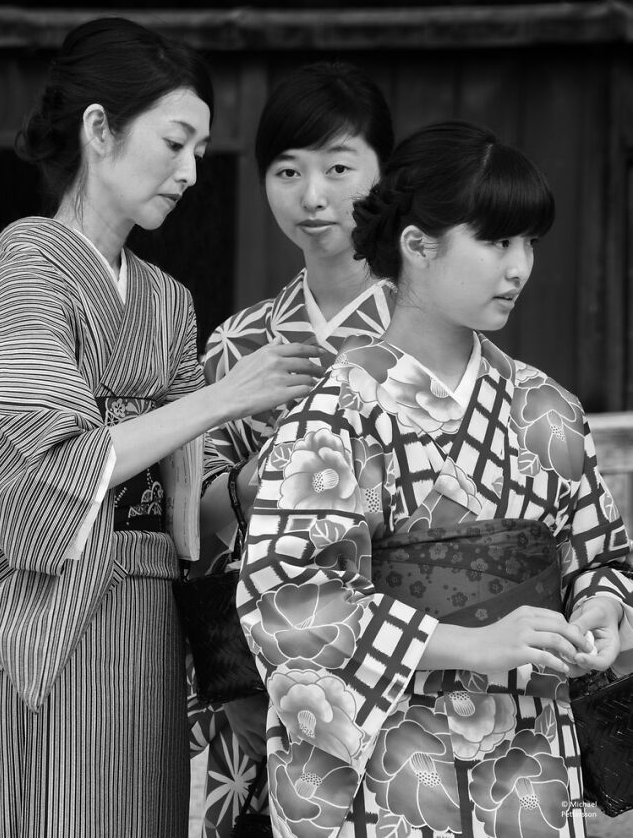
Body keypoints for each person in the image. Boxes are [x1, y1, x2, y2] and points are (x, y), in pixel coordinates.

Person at [0, 17, 323, 837]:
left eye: (200, 150)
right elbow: (45, 474)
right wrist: (221, 399)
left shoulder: (166, 302)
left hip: (148, 622)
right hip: (47, 626)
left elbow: (182, 511)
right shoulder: (28, 273)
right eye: (176, 142)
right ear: (99, 129)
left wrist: (220, 657)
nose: (191, 172)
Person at [237, 120, 633, 838]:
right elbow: (286, 597)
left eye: (528, 243)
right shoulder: (338, 412)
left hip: (525, 756)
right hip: (388, 761)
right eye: (496, 241)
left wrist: (600, 611)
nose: (519, 267)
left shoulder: (547, 408)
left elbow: (602, 556)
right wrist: (464, 642)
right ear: (418, 245)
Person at [190, 61, 395, 837]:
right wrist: (252, 481)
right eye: (287, 171)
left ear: (385, 173)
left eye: (339, 168)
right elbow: (198, 514)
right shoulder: (237, 342)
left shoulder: (434, 329)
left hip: (409, 651)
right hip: (262, 664)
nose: (313, 197)